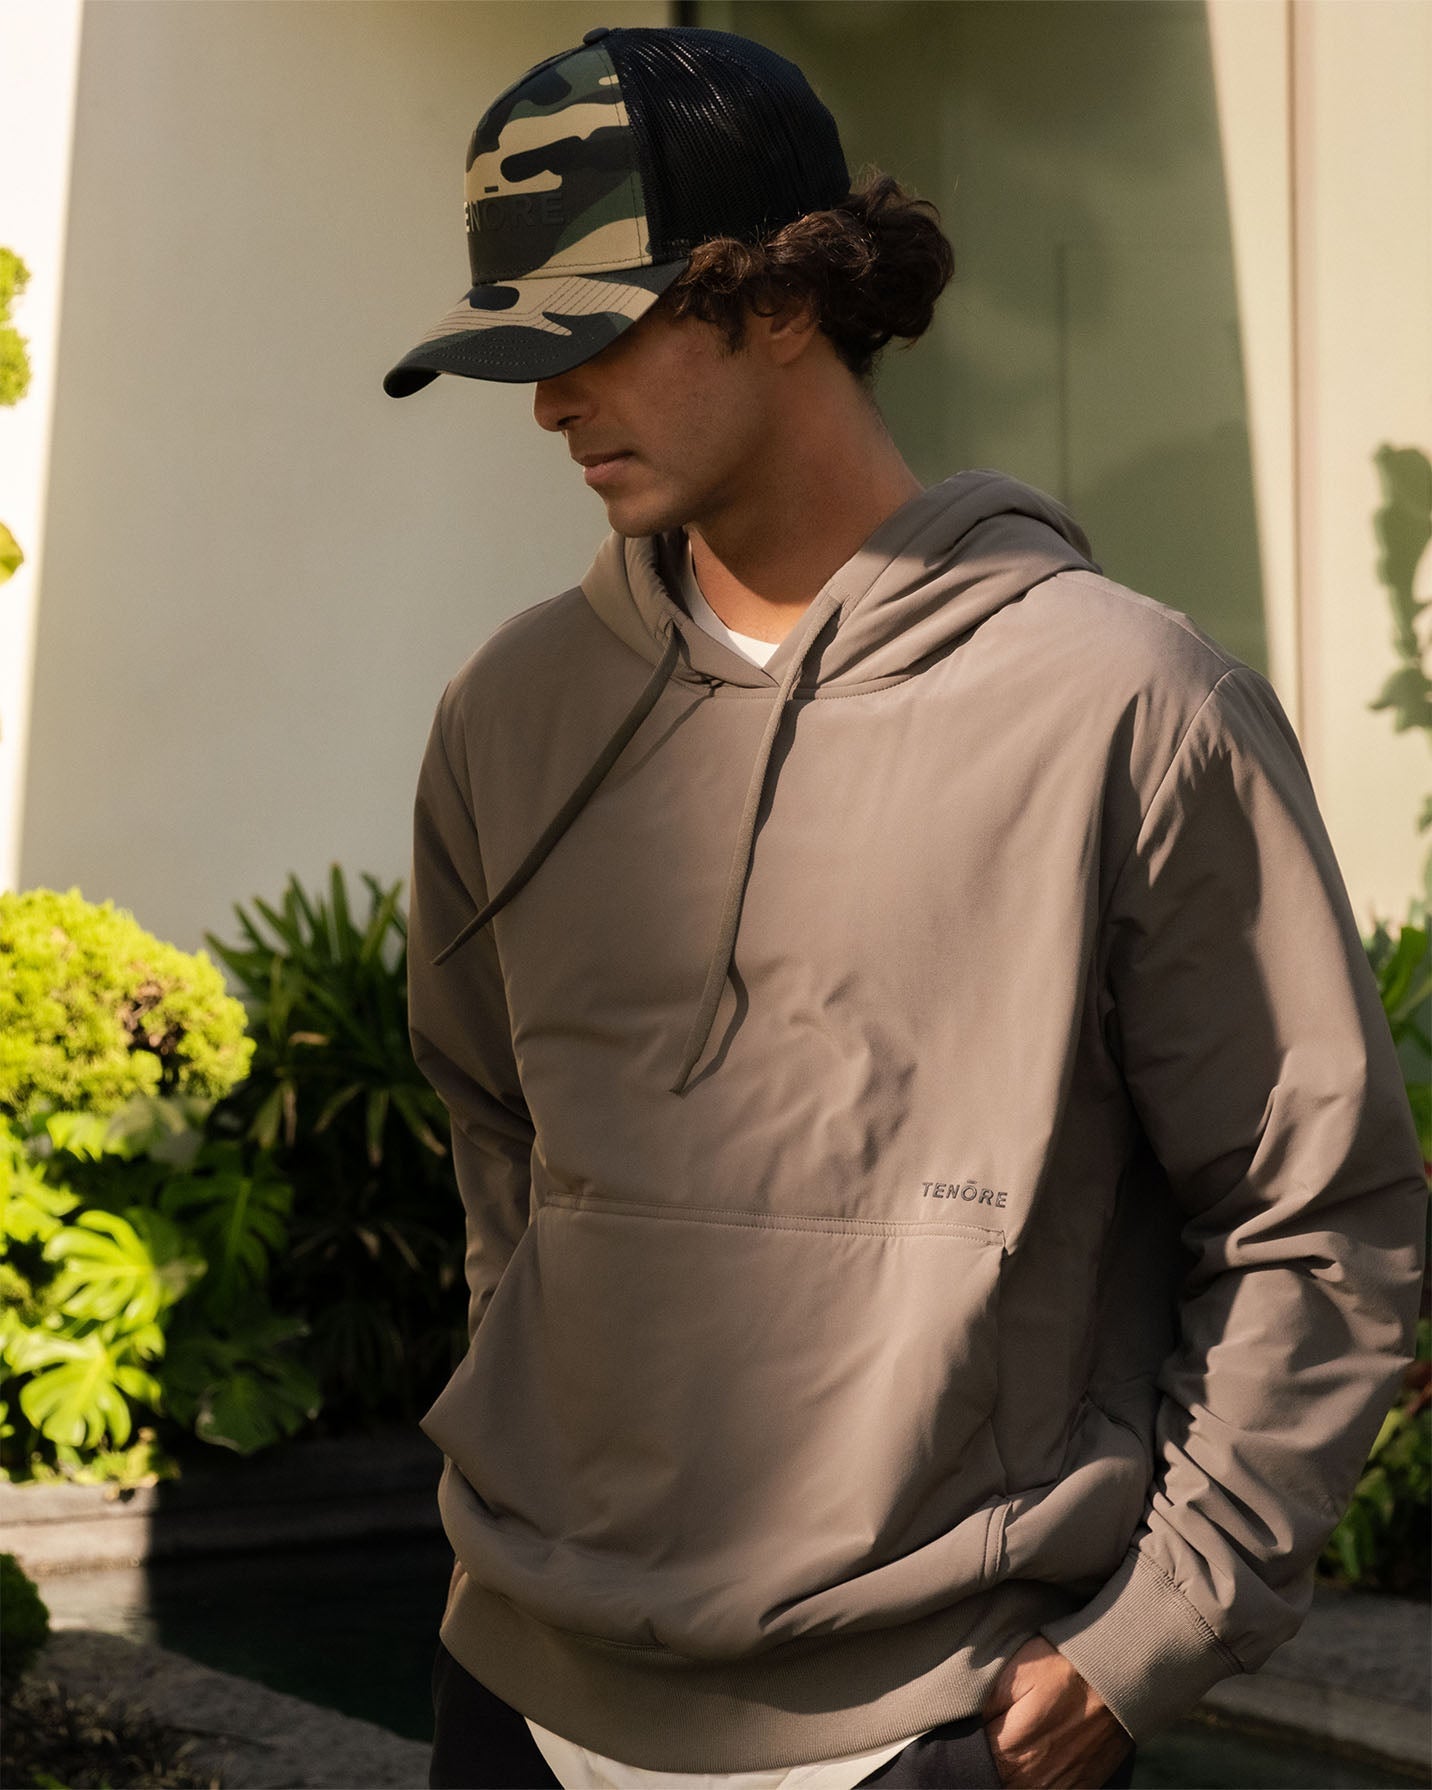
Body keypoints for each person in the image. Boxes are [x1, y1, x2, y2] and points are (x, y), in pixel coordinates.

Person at [383, 24, 1426, 1790]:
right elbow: (502, 1145)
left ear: (787, 296)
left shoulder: (1123, 702)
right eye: (525, 349)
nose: (550, 400)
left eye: (596, 331)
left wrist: (1150, 1637)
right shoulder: (511, 710)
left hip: (935, 1721)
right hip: (523, 1696)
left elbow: (1316, 1216)